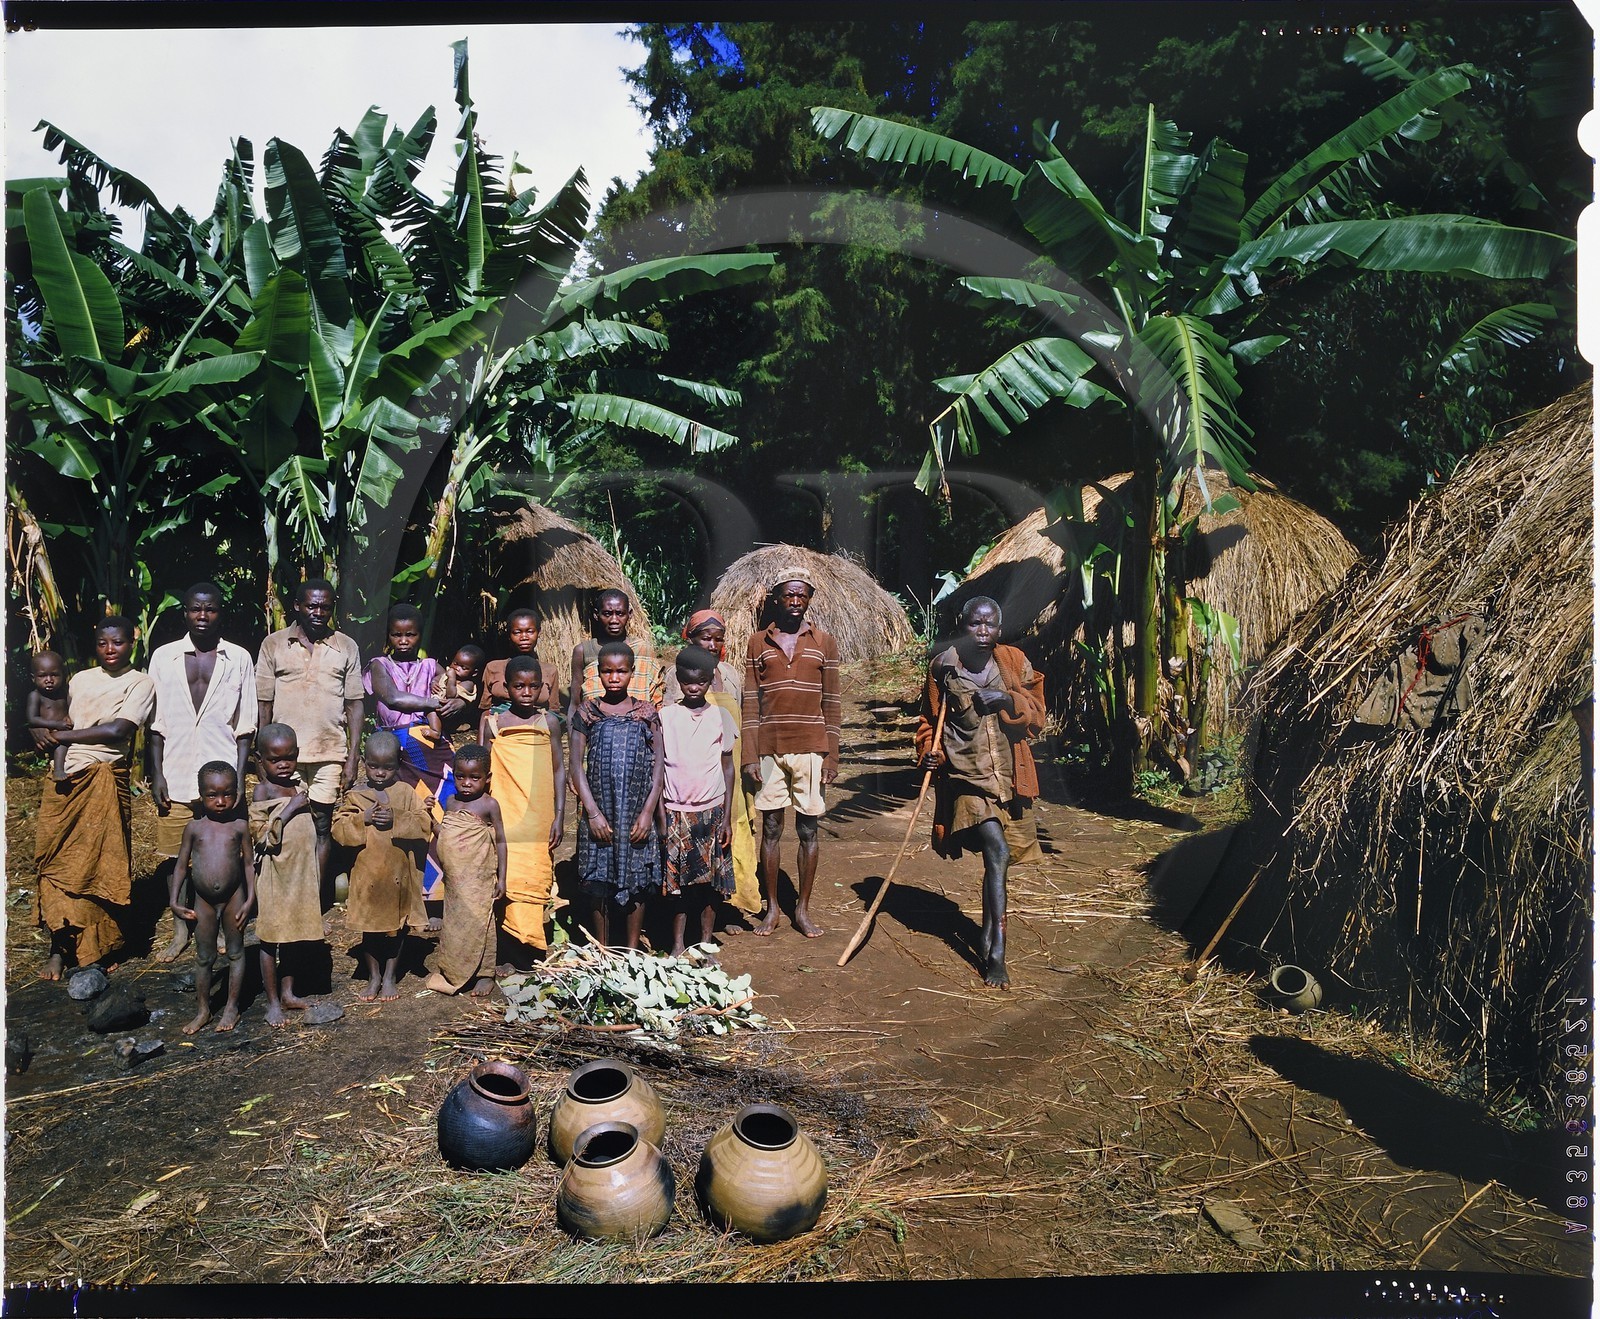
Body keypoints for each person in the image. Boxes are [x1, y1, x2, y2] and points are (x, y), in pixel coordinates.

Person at [915, 596, 1045, 989]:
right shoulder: (943, 666)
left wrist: (1008, 700)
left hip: (1010, 777)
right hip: (967, 779)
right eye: (976, 623)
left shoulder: (1014, 662)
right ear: (963, 623)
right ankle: (997, 957)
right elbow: (928, 723)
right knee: (998, 851)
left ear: (999, 629)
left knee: (998, 863)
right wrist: (929, 753)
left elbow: (1038, 714)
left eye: (990, 625)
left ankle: (988, 930)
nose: (983, 632)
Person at [32, 616, 155, 979]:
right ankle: (59, 948)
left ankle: (99, 949)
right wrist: (39, 729)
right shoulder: (80, 680)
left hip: (104, 778)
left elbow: (119, 729)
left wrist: (61, 737)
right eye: (102, 643)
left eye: (117, 643)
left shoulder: (141, 682)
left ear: (132, 643)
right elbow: (51, 712)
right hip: (64, 780)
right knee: (57, 864)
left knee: (100, 865)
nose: (110, 650)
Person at [148, 582, 257, 963]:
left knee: (225, 852)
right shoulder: (163, 657)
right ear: (185, 613)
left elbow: (245, 726)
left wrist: (239, 777)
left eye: (210, 610)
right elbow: (156, 724)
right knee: (172, 854)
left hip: (222, 776)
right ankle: (181, 928)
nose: (202, 616)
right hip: (176, 769)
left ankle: (227, 925)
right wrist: (157, 773)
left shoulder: (238, 658)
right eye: (196, 609)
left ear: (219, 614)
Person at [741, 571, 841, 938]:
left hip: (812, 749)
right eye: (788, 595)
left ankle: (802, 909)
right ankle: (772, 909)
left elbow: (832, 702)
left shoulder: (824, 643)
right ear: (777, 599)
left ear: (809, 599)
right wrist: (750, 755)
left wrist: (831, 756)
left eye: (802, 595)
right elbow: (750, 703)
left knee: (808, 829)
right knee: (770, 828)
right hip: (770, 749)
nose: (795, 601)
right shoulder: (757, 642)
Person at [255, 579, 364, 890]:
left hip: (329, 753)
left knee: (321, 825)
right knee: (286, 823)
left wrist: (352, 756)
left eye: (325, 607)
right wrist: (261, 756)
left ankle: (314, 898)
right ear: (297, 606)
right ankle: (284, 893)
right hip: (282, 757)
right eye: (312, 606)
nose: (318, 612)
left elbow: (355, 704)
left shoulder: (346, 646)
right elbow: (264, 703)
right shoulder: (274, 645)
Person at [364, 603, 461, 916]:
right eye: (397, 634)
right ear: (388, 636)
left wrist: (459, 700)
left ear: (420, 635)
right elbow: (392, 698)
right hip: (395, 749)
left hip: (432, 747)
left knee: (443, 809)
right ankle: (406, 895)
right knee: (407, 811)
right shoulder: (378, 665)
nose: (403, 640)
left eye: (411, 635)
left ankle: (439, 894)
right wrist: (435, 703)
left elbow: (458, 689)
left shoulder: (431, 665)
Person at [663, 610, 761, 922]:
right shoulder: (676, 675)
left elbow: (741, 719)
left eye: (718, 639)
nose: (712, 644)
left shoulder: (730, 674)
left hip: (726, 768)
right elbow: (671, 725)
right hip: (691, 778)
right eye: (706, 638)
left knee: (731, 833)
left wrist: (748, 761)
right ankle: (690, 914)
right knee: (692, 845)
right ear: (690, 638)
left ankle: (729, 908)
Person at [570, 642, 664, 950]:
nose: (614, 677)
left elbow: (658, 766)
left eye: (621, 671)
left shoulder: (646, 712)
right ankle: (603, 948)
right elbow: (576, 766)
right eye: (607, 671)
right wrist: (593, 813)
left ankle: (633, 948)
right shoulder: (588, 712)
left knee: (638, 878)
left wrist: (648, 813)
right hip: (601, 811)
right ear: (598, 674)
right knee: (600, 877)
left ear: (632, 673)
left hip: (636, 810)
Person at [332, 731, 433, 1002]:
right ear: (364, 762)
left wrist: (396, 819)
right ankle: (373, 976)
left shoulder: (405, 793)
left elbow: (424, 823)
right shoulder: (356, 796)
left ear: (398, 764)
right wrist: (363, 819)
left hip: (397, 876)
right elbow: (339, 830)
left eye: (388, 767)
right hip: (367, 878)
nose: (380, 772)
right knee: (370, 929)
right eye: (373, 766)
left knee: (396, 928)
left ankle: (390, 975)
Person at [481, 655, 565, 966]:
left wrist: (559, 815)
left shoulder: (549, 723)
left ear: (543, 688)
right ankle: (507, 949)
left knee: (534, 874)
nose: (526, 693)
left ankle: (530, 948)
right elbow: (483, 770)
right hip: (505, 814)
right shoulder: (493, 723)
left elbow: (558, 770)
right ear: (506, 687)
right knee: (506, 876)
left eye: (533, 686)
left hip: (538, 818)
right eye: (519, 686)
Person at [658, 646, 737, 956]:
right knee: (677, 885)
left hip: (711, 811)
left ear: (710, 680)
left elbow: (728, 768)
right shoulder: (666, 717)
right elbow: (658, 768)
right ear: (679, 680)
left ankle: (705, 942)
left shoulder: (721, 716)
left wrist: (727, 817)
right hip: (676, 810)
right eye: (688, 682)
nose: (694, 688)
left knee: (710, 884)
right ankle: (678, 943)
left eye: (701, 682)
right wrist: (660, 814)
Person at [170, 761, 255, 1034]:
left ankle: (231, 1007)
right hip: (204, 901)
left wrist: (250, 899)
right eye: (212, 795)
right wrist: (174, 902)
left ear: (236, 793)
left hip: (234, 898)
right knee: (204, 957)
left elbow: (249, 865)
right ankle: (203, 1010)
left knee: (235, 952)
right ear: (200, 794)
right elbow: (181, 866)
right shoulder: (194, 828)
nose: (220, 801)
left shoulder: (240, 826)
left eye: (227, 794)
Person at [250, 723, 325, 1027]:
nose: (283, 764)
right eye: (274, 759)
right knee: (271, 939)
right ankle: (272, 1003)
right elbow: (260, 836)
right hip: (275, 876)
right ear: (260, 760)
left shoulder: (297, 786)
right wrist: (290, 809)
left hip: (299, 875)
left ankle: (288, 993)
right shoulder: (263, 791)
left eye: (289, 757)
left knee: (292, 937)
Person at [424, 745, 508, 997]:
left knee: (482, 921)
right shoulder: (450, 801)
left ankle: (485, 973)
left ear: (487, 778)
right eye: (460, 776)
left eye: (474, 777)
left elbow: (500, 841)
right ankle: (455, 968)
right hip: (454, 880)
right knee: (455, 923)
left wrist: (502, 878)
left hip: (479, 879)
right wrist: (429, 816)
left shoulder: (489, 805)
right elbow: (445, 834)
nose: (467, 783)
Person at [568, 589, 664, 718]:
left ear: (629, 614)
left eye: (620, 614)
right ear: (596, 614)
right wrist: (573, 729)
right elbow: (575, 704)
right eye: (607, 614)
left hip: (639, 724)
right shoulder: (584, 651)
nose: (614, 620)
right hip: (595, 724)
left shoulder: (643, 650)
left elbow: (656, 700)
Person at [481, 608, 552, 714]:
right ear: (509, 634)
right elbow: (485, 709)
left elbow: (554, 710)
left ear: (538, 632)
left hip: (538, 722)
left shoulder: (550, 670)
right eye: (517, 632)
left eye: (530, 631)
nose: (524, 637)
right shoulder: (493, 667)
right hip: (499, 721)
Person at [428, 645, 486, 737]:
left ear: (474, 673)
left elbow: (451, 695)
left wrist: (451, 678)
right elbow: (438, 678)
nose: (457, 668)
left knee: (432, 710)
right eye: (455, 663)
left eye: (463, 668)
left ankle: (436, 731)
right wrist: (433, 683)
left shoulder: (468, 684)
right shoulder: (448, 673)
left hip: (448, 711)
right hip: (438, 701)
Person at [23, 650, 71, 757]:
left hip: (66, 732)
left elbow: (72, 708)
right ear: (33, 678)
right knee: (60, 746)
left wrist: (69, 717)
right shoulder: (35, 696)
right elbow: (32, 719)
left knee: (64, 744)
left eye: (54, 675)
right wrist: (56, 724)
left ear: (63, 675)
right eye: (42, 676)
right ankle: (58, 767)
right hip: (48, 736)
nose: (49, 680)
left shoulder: (65, 692)